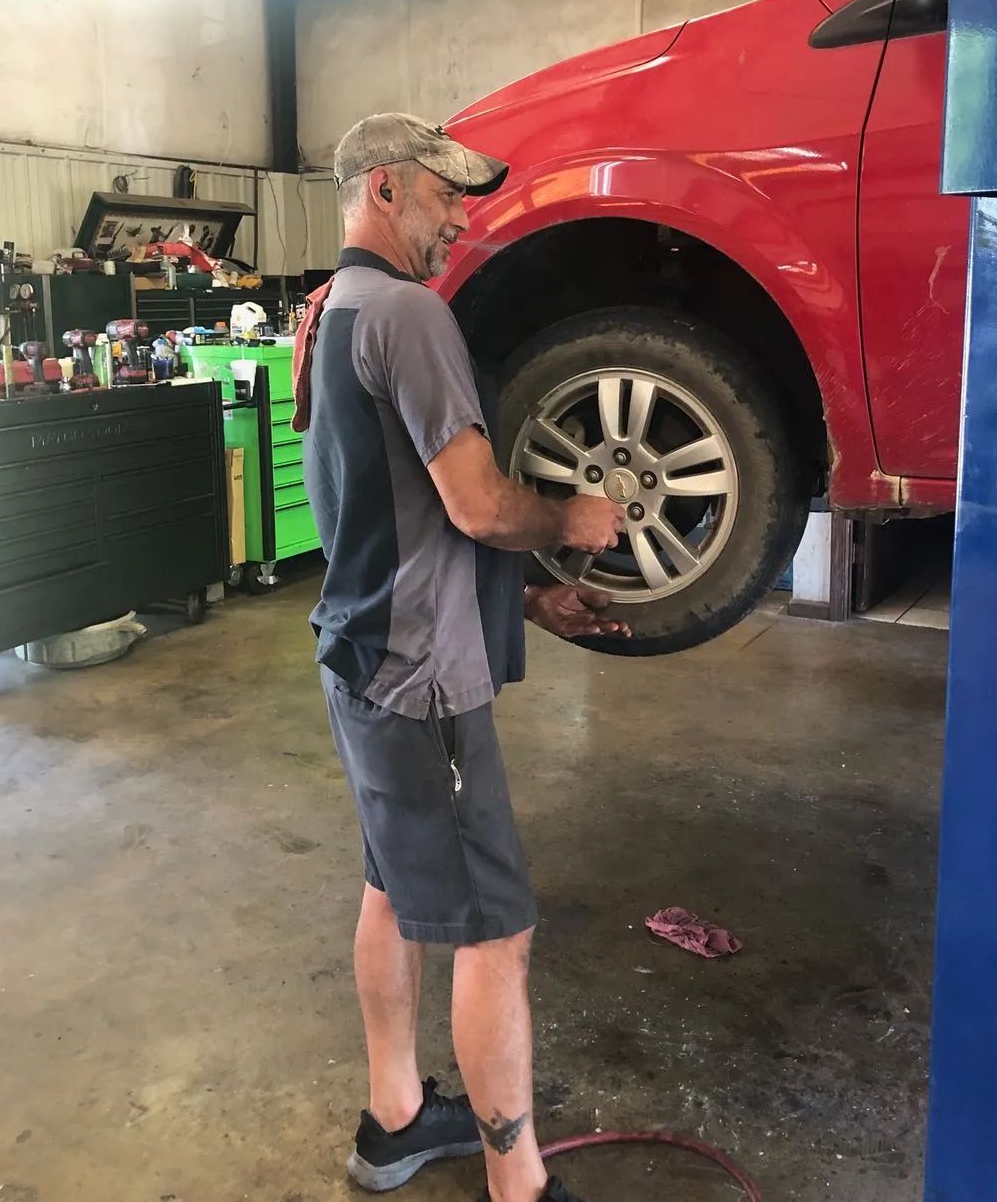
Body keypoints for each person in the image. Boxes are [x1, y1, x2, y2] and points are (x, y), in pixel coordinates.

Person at [296, 113, 629, 1202]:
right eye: (446, 196)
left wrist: (529, 601)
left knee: (392, 887)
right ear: (385, 190)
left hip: (357, 655)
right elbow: (479, 507)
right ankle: (518, 1182)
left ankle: (396, 1121)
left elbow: (389, 514)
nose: (459, 219)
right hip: (419, 682)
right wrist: (571, 522)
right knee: (497, 930)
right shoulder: (409, 315)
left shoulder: (329, 314)